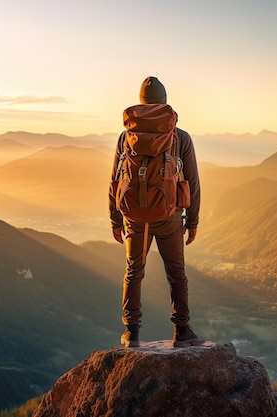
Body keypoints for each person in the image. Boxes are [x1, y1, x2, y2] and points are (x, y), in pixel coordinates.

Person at [109, 76, 203, 348]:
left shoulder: (126, 137)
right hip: (169, 216)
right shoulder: (180, 137)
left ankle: (131, 333)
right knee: (176, 273)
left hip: (134, 217)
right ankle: (182, 332)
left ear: (141, 102)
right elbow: (192, 182)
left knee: (133, 271)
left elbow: (115, 180)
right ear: (163, 102)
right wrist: (193, 220)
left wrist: (115, 219)